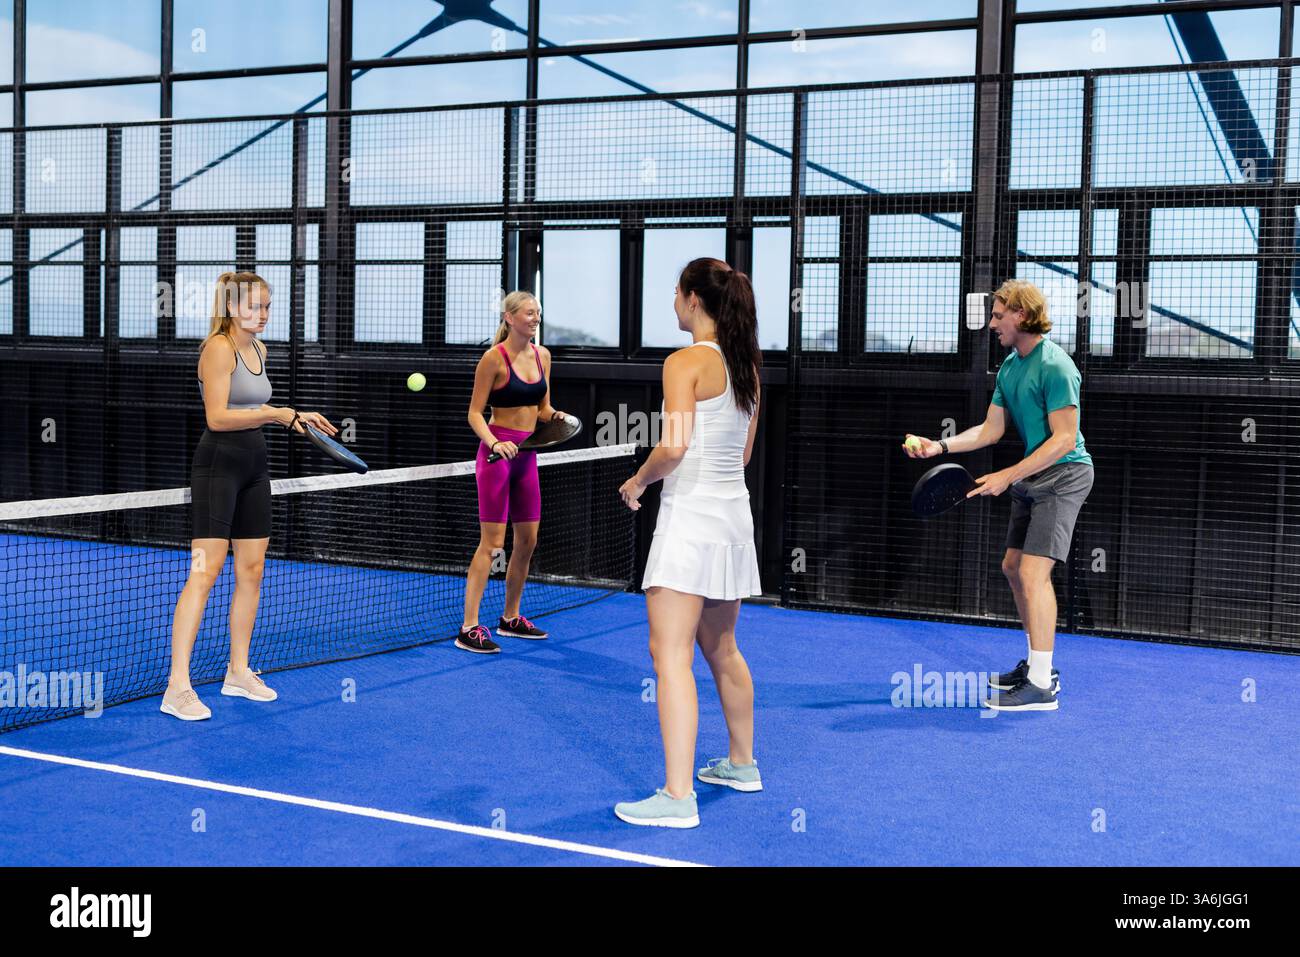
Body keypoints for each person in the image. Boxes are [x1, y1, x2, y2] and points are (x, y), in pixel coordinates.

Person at [615, 258, 764, 828]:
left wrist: (637, 481)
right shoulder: (746, 367)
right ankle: (742, 763)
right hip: (732, 521)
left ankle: (678, 797)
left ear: (694, 300)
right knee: (722, 648)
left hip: (689, 523)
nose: (673, 302)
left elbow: (674, 448)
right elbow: (743, 455)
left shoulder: (684, 362)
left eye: (677, 293)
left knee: (668, 654)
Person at [904, 279, 1093, 712]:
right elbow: (990, 431)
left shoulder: (1057, 366)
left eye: (997, 315)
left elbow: (1064, 440)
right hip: (1035, 475)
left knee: (1032, 573)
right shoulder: (1010, 367)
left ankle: (1042, 686)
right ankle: (1036, 667)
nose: (991, 324)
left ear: (1021, 315)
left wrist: (1008, 475)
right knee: (1012, 567)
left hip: (1065, 476)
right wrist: (940, 446)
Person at [162, 272, 336, 720]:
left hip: (255, 467)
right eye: (254, 307)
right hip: (217, 467)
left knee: (252, 569)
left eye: (267, 307)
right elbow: (218, 417)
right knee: (204, 572)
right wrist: (276, 414)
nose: (262, 315)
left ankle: (237, 671)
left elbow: (260, 411)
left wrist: (295, 417)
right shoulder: (217, 348)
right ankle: (177, 686)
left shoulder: (259, 349)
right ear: (231, 306)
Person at [459, 291, 568, 654]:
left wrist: (556, 417)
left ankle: (510, 618)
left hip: (528, 456)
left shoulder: (543, 356)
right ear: (509, 317)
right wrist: (494, 443)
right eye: (528, 313)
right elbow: (475, 413)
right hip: (496, 457)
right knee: (491, 546)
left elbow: (543, 407)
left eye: (538, 312)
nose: (535, 318)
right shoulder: (493, 359)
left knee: (528, 541)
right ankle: (469, 627)